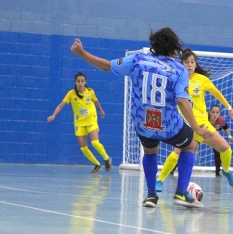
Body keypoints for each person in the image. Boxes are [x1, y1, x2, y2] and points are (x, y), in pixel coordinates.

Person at [70, 27, 212, 208]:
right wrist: (197, 128)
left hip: (143, 123)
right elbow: (183, 102)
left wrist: (82, 53)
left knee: (150, 151)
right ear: (174, 49)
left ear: (154, 44)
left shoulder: (137, 60)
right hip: (169, 125)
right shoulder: (179, 70)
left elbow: (107, 65)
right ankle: (181, 193)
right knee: (190, 145)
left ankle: (152, 196)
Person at [156, 48, 233, 192]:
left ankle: (226, 171)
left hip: (202, 123)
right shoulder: (176, 79)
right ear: (181, 64)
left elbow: (216, 93)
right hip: (184, 123)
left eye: (192, 62)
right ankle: (160, 180)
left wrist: (229, 107)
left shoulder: (202, 80)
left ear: (195, 64)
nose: (189, 64)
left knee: (226, 149)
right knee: (178, 151)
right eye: (186, 62)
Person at [47, 72, 112, 173]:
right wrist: (53, 115)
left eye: (82, 81)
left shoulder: (90, 92)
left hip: (91, 119)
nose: (80, 83)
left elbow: (96, 101)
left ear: (85, 82)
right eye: (78, 81)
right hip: (79, 123)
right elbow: (60, 105)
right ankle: (97, 164)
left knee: (95, 142)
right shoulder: (71, 94)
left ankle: (106, 158)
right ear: (75, 83)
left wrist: (101, 110)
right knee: (83, 147)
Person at [208, 105, 233, 176]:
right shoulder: (205, 118)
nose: (215, 114)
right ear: (210, 113)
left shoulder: (220, 120)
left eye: (217, 112)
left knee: (218, 151)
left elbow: (225, 127)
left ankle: (218, 172)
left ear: (220, 113)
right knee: (188, 149)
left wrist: (230, 137)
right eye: (213, 112)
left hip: (211, 136)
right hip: (201, 135)